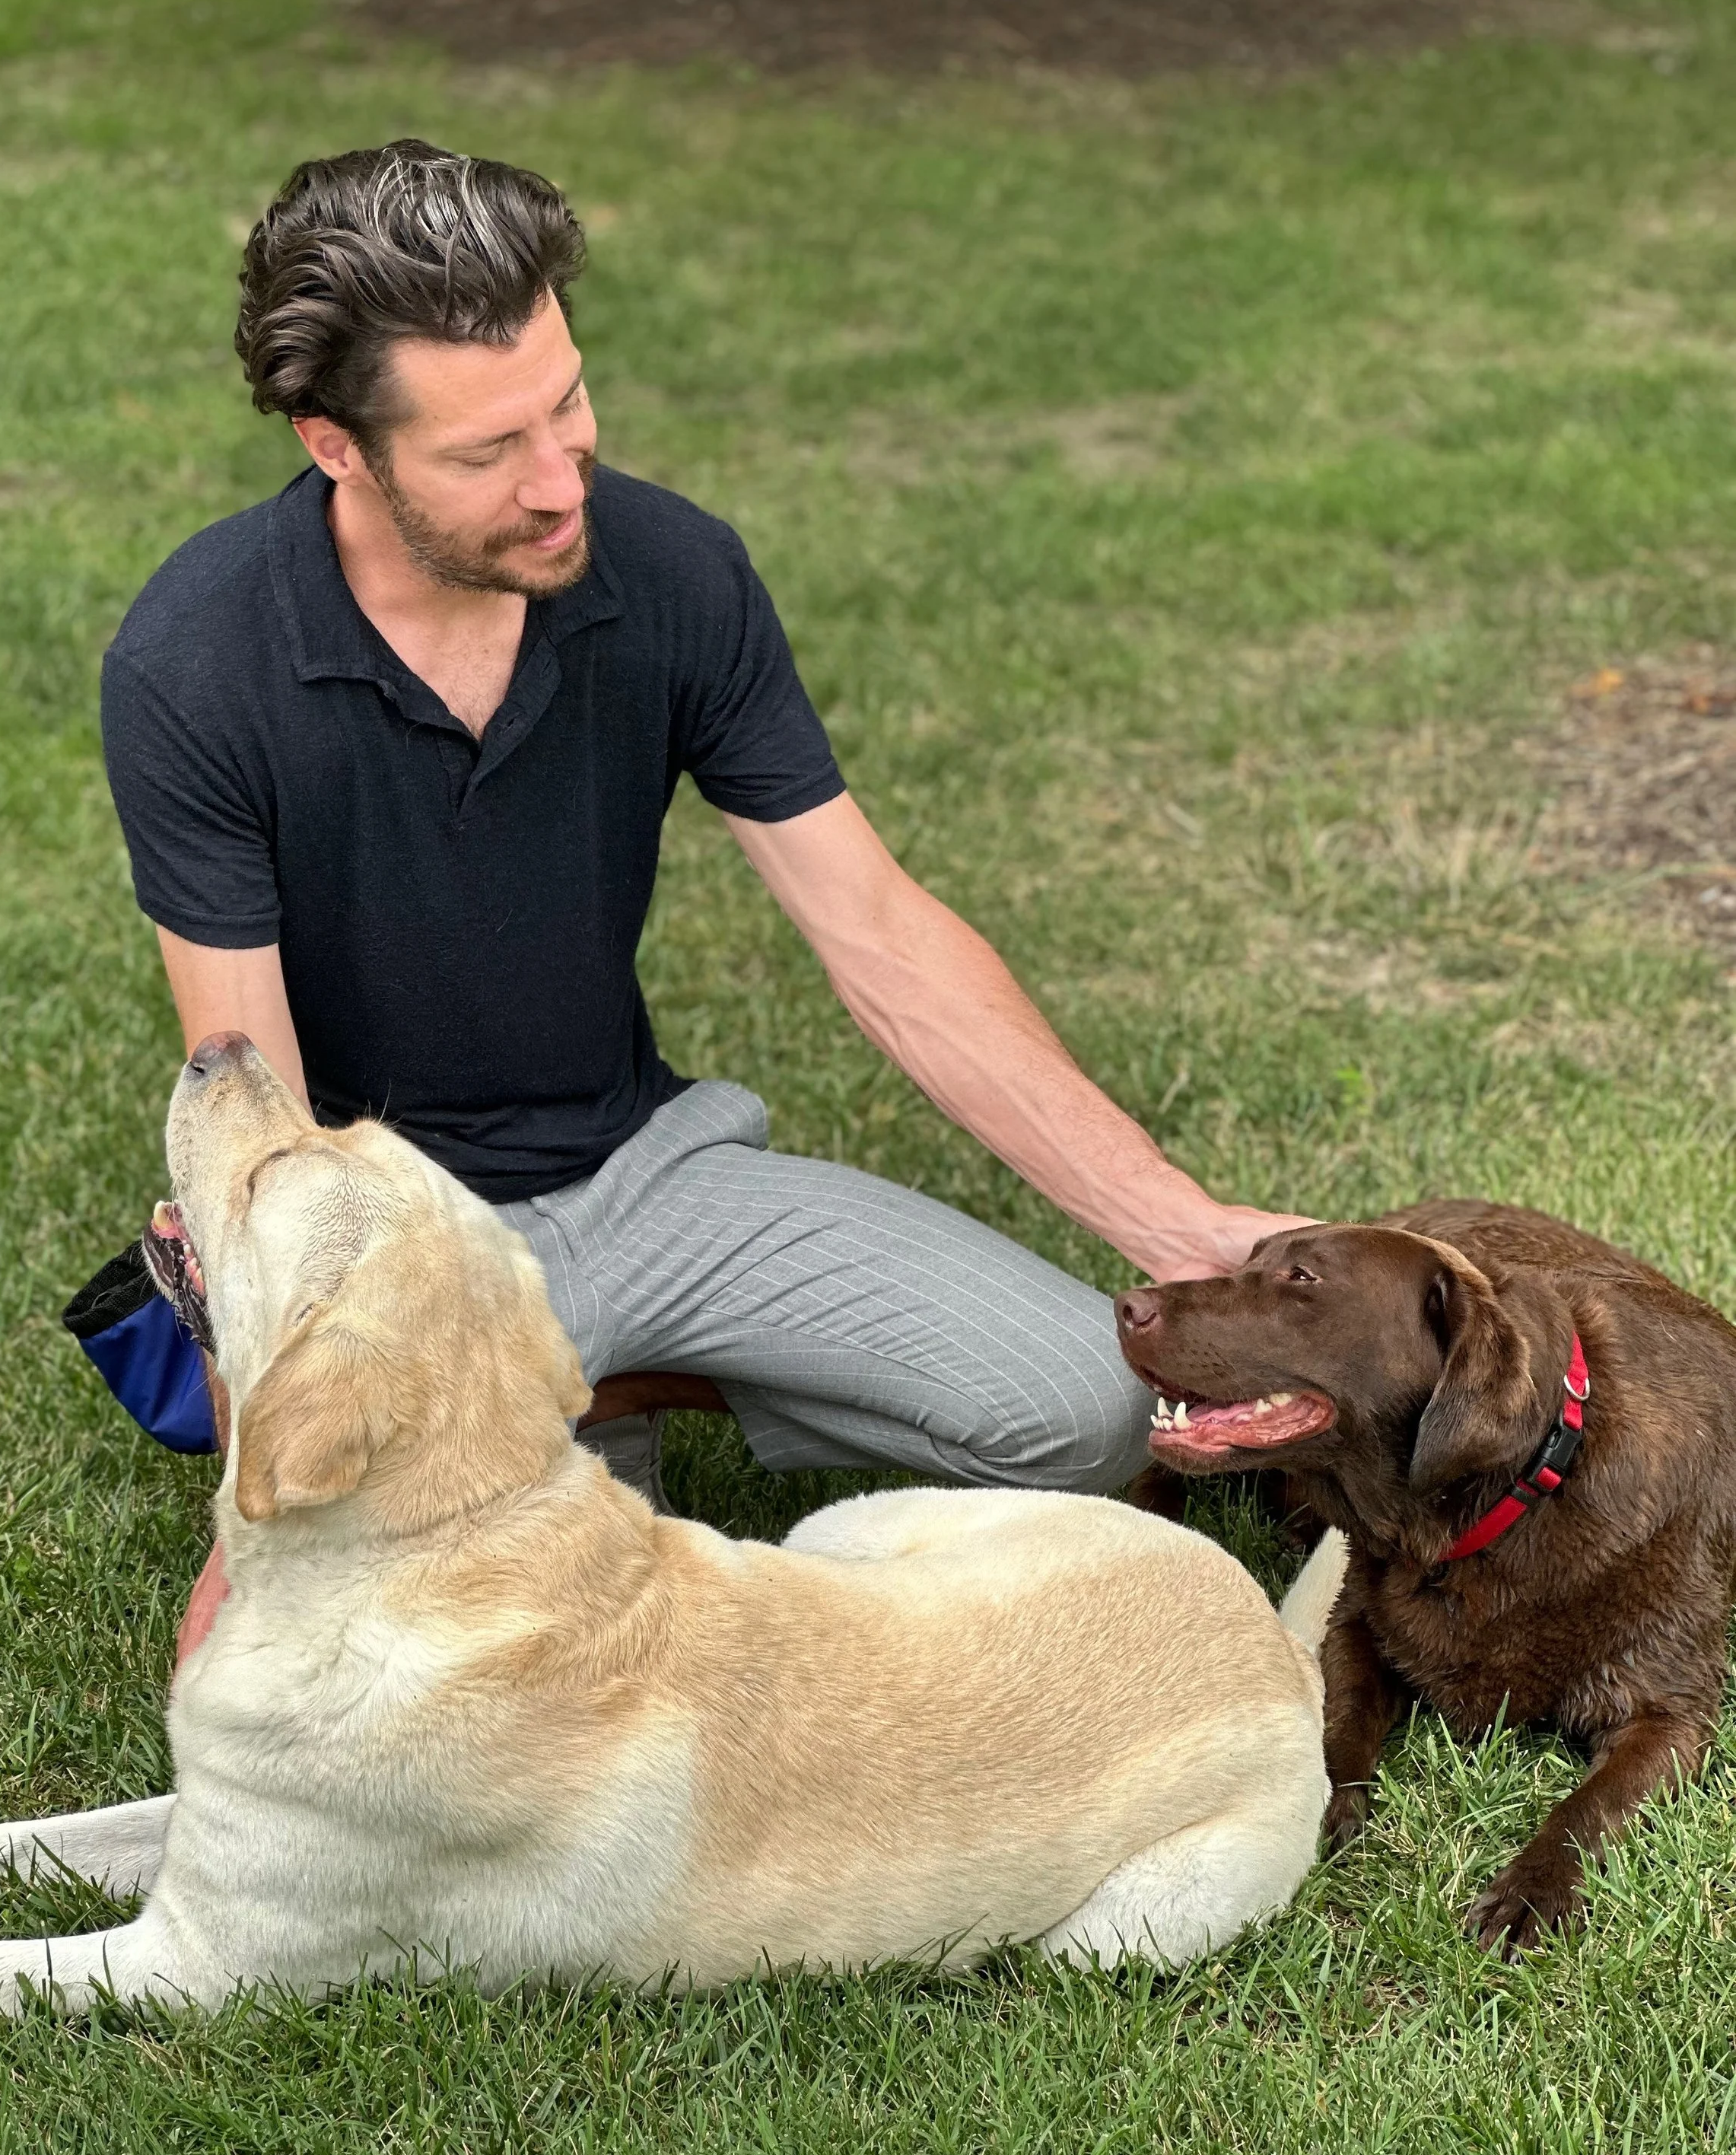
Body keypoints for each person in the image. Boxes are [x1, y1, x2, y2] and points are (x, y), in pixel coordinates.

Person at [81, 138, 1305, 1526]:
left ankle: (616, 1385)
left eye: (569, 402)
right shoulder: (198, 662)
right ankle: (561, 1415)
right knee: (454, 1638)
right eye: (489, 450)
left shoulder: (671, 572)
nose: (562, 479)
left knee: (1086, 1411)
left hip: (650, 1178)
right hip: (403, 1245)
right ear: (336, 446)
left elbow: (883, 939)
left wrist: (1191, 1232)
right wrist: (259, 1512)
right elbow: (260, 1127)